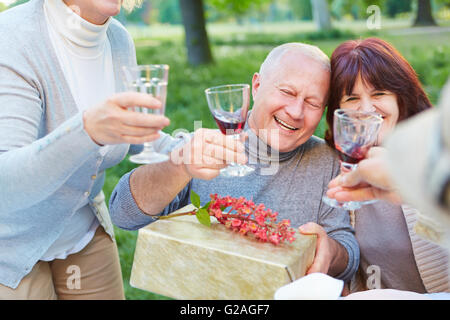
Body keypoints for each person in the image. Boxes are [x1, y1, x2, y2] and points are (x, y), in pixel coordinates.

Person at [109, 43, 360, 283]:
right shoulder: (203, 147)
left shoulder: (328, 161)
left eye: (312, 103)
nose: (296, 111)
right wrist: (179, 166)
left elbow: (347, 253)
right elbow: (123, 214)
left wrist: (330, 251)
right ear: (257, 85)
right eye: (287, 92)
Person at [0, 0, 170, 299]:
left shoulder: (117, 38)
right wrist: (86, 130)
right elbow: (7, 185)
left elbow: (133, 132)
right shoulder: (12, 38)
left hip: (82, 229)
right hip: (11, 245)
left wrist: (189, 147)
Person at [324, 38, 450, 295]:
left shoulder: (439, 154)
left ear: (401, 98)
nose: (367, 109)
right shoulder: (336, 169)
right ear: (337, 111)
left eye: (379, 93)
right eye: (352, 98)